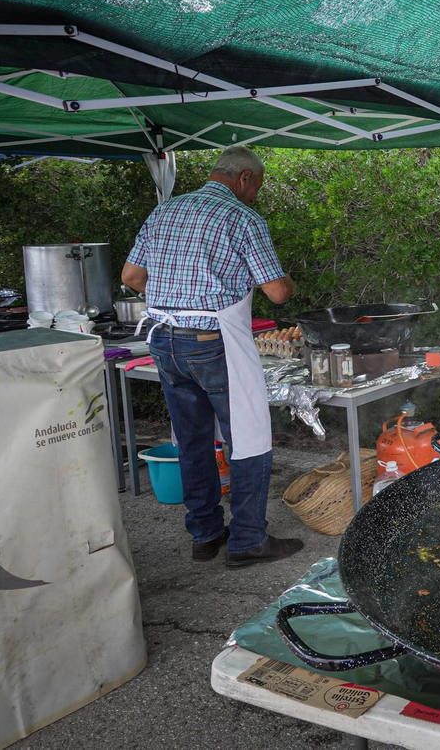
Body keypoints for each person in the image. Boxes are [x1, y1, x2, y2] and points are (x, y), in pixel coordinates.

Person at [121, 147, 304, 569]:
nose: (256, 194)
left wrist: (174, 302)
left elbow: (132, 277)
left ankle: (204, 535)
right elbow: (277, 292)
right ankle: (247, 541)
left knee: (193, 440)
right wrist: (286, 279)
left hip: (164, 339)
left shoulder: (164, 212)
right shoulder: (242, 218)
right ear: (244, 178)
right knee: (248, 437)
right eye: (257, 185)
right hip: (213, 340)